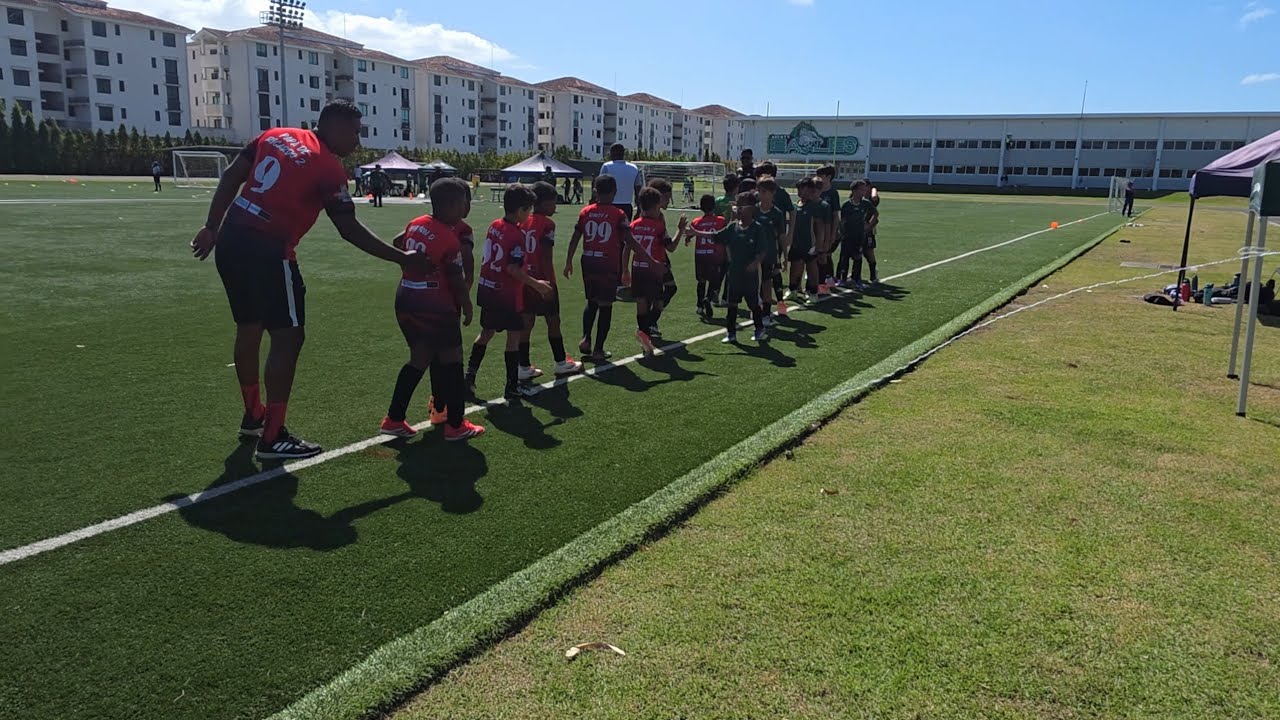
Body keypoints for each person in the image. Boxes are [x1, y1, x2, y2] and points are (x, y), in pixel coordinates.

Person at [190, 100, 427, 460]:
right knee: (288, 337)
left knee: (249, 328)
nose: (357, 141)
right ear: (334, 126)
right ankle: (273, 436)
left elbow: (232, 176)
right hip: (270, 250)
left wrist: (211, 226)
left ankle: (253, 416)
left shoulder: (274, 135)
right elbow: (348, 228)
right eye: (355, 132)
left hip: (232, 238)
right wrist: (402, 258)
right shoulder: (327, 166)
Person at [379, 178, 485, 441]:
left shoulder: (416, 223)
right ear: (452, 205)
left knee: (420, 357)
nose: (465, 207)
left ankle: (394, 418)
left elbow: (398, 242)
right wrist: (467, 305)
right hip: (435, 305)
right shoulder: (448, 238)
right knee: (453, 359)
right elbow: (457, 279)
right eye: (463, 202)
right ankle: (456, 425)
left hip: (406, 297)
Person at [464, 184, 555, 401]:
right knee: (513, 338)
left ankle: (469, 378)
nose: (530, 214)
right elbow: (512, 269)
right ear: (521, 210)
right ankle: (512, 387)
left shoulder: (494, 225)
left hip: (487, 287)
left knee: (486, 333)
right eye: (528, 210)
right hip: (506, 293)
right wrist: (537, 284)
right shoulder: (516, 234)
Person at [563, 175, 653, 362]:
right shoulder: (618, 214)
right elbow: (630, 240)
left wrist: (569, 260)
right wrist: (648, 258)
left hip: (588, 260)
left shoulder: (586, 211)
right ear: (614, 192)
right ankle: (598, 349)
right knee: (605, 305)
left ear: (595, 191)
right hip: (607, 263)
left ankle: (586, 338)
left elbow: (575, 237)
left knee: (591, 301)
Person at [520, 181, 584, 379]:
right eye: (553, 202)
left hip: (524, 278)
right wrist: (550, 283)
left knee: (527, 322)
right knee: (553, 321)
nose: (555, 206)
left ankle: (522, 365)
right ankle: (560, 362)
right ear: (544, 203)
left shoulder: (522, 220)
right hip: (542, 279)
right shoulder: (547, 224)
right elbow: (545, 256)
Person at [693, 191, 767, 343]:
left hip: (750, 277)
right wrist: (695, 232)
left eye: (741, 206)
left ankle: (759, 328)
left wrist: (755, 263)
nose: (737, 209)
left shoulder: (757, 229)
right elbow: (715, 235)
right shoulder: (733, 227)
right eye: (737, 206)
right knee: (732, 304)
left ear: (751, 209)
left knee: (753, 304)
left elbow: (762, 251)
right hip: (734, 274)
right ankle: (731, 332)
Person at [629, 186, 681, 355]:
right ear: (656, 206)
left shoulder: (634, 225)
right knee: (658, 302)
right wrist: (680, 230)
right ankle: (644, 330)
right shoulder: (658, 226)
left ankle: (645, 338)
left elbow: (627, 248)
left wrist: (624, 270)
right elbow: (671, 247)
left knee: (641, 302)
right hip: (654, 269)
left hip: (637, 268)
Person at [757, 162, 795, 305]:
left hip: (773, 244)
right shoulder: (755, 205)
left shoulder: (780, 197)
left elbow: (791, 212)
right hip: (756, 248)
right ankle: (763, 300)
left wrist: (790, 234)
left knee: (773, 272)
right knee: (760, 275)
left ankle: (778, 302)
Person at [786, 177, 826, 302]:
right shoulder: (795, 206)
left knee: (812, 268)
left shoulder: (814, 206)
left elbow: (820, 227)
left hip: (809, 244)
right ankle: (793, 290)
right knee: (795, 268)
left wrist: (818, 245)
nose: (800, 191)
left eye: (802, 189)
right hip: (796, 243)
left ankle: (813, 292)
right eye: (799, 189)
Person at [689, 194, 727, 319]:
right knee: (714, 280)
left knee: (701, 280)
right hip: (714, 254)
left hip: (700, 254)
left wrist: (688, 238)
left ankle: (699, 305)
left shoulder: (696, 221)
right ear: (714, 206)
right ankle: (708, 298)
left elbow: (690, 233)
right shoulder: (720, 220)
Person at [755, 177, 787, 322]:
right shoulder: (753, 210)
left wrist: (785, 256)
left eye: (764, 191)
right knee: (754, 285)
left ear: (772, 193)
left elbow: (781, 236)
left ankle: (766, 314)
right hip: (753, 254)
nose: (761, 194)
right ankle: (757, 310)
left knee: (767, 284)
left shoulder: (777, 213)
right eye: (759, 191)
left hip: (769, 255)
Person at [711, 173, 741, 305]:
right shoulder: (738, 202)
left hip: (720, 237)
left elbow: (714, 218)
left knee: (720, 267)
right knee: (731, 268)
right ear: (736, 187)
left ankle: (715, 292)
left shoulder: (718, 201)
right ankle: (725, 297)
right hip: (734, 238)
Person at [837, 179, 871, 288]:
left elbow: (875, 214)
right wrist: (841, 231)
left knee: (858, 257)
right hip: (847, 236)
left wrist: (869, 225)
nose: (864, 192)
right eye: (862, 190)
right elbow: (841, 220)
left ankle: (856, 279)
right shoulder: (846, 205)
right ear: (854, 191)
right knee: (844, 257)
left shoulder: (865, 203)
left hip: (859, 236)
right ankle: (842, 279)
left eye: (865, 190)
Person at [598, 143, 644, 220]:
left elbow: (600, 186)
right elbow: (638, 190)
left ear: (612, 152)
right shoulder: (634, 168)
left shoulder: (607, 166)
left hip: (610, 205)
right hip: (627, 206)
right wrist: (639, 209)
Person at [816, 166, 841, 293]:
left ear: (828, 177)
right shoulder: (816, 190)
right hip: (817, 229)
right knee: (819, 255)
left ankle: (828, 278)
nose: (818, 178)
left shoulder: (832, 193)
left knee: (826, 254)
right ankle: (821, 279)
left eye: (821, 176)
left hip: (829, 228)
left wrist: (834, 232)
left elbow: (836, 214)